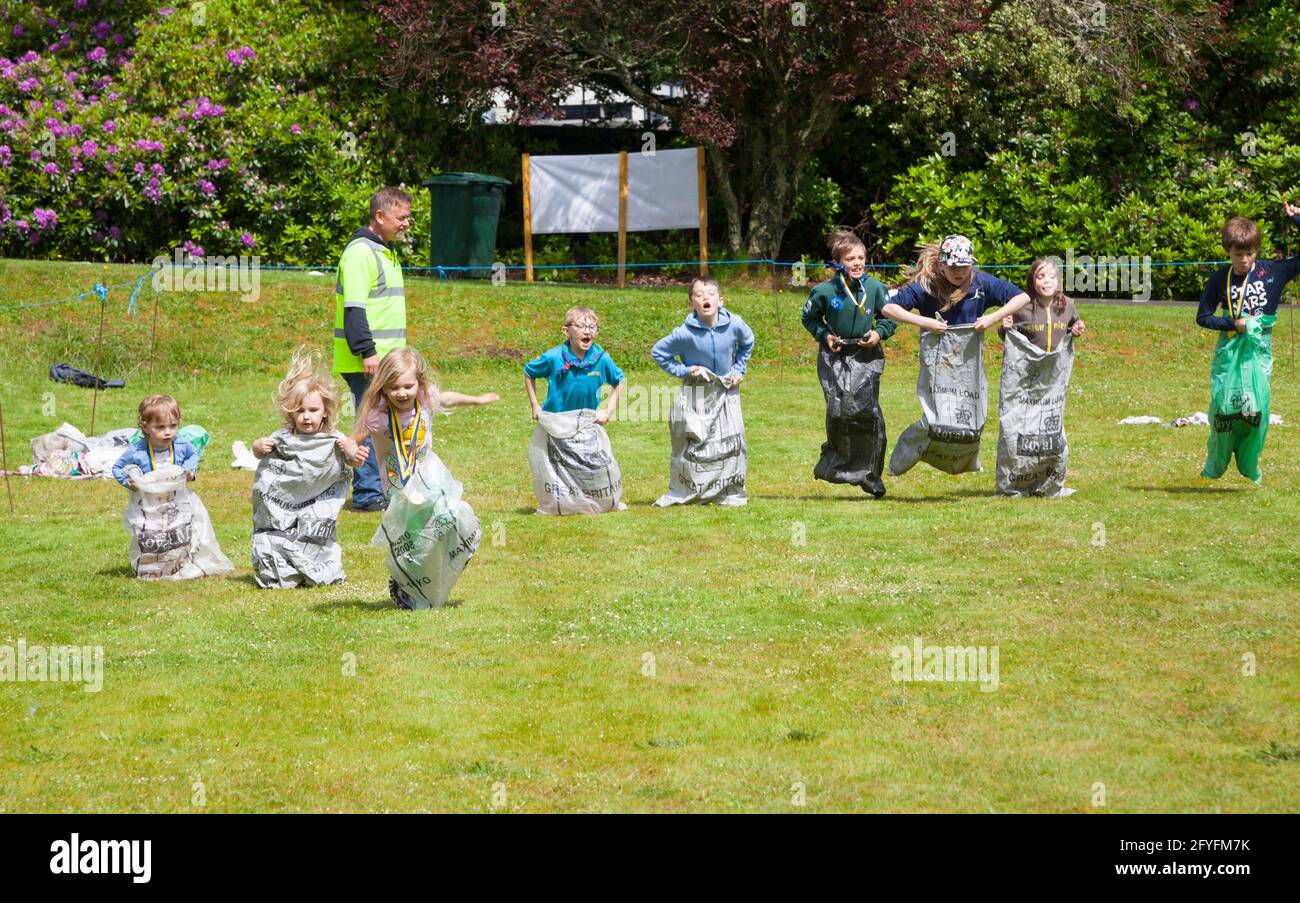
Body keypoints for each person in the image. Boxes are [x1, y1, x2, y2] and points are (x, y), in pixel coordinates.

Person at [347, 348, 498, 606]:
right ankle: (406, 584)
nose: (402, 393)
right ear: (383, 387)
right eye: (394, 387)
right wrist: (353, 454)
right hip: (400, 488)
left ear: (420, 383)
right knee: (417, 539)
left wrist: (478, 400)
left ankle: (453, 553)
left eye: (408, 386)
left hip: (431, 478)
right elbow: (352, 440)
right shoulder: (379, 415)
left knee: (449, 516)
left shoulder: (425, 401)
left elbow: (448, 398)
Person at [1194, 203, 1300, 482]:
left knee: (1256, 408)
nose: (1244, 260)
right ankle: (1217, 459)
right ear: (1227, 251)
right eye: (1238, 254)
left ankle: (1249, 458)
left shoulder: (1273, 272)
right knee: (1224, 406)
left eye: (1250, 254)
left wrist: (1297, 218)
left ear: (1257, 251)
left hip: (1258, 350)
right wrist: (1233, 323)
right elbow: (1203, 317)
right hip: (1229, 350)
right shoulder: (1219, 279)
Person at [249, 350, 365, 588]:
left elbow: (352, 461)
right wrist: (258, 446)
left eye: (312, 410)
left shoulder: (334, 439)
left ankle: (314, 564)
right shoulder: (282, 438)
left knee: (312, 537)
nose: (306, 417)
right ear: (291, 413)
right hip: (285, 502)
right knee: (280, 537)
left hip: (316, 502)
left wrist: (353, 454)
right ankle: (282, 565)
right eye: (300, 411)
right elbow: (259, 453)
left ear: (326, 411)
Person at [332, 186, 413, 512]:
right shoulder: (360, 254)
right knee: (369, 424)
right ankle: (367, 494)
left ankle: (386, 488)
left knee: (384, 424)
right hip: (369, 360)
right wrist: (367, 352)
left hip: (389, 361)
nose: (406, 223)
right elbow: (354, 310)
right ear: (379, 216)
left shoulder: (383, 251)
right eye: (401, 217)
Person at [800, 230, 895, 497]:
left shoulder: (875, 288)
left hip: (866, 355)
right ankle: (834, 467)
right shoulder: (823, 291)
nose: (857, 263)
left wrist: (879, 333)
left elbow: (889, 318)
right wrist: (825, 335)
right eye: (850, 258)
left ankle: (872, 475)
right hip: (835, 355)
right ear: (838, 262)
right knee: (840, 413)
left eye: (861, 257)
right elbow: (809, 319)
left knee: (869, 414)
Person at [651, 277, 754, 506]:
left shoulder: (735, 324)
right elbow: (658, 352)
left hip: (727, 390)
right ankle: (691, 486)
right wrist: (684, 370)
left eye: (710, 293)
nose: (705, 297)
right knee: (695, 441)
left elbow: (748, 342)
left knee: (731, 439)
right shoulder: (684, 334)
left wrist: (738, 369)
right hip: (696, 393)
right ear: (691, 304)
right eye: (698, 295)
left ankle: (729, 490)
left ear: (721, 300)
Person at [524, 306, 626, 422]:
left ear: (597, 332)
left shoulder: (602, 359)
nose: (587, 331)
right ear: (566, 331)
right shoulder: (553, 357)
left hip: (587, 423)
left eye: (592, 327)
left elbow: (619, 381)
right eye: (580, 326)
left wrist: (608, 411)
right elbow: (529, 372)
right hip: (554, 422)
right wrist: (535, 406)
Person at [112, 395, 200, 488]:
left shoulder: (181, 445)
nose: (168, 432)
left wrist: (189, 470)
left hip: (176, 496)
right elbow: (117, 467)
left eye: (173, 425)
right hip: (148, 498)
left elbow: (193, 454)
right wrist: (127, 482)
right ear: (145, 427)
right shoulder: (137, 450)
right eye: (160, 427)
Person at [999, 257, 1086, 351]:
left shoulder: (1068, 304)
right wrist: (1005, 328)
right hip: (1029, 362)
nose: (1047, 280)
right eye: (1041, 276)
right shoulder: (1022, 306)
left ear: (1058, 281)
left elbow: (1072, 327)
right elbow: (1006, 335)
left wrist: (1077, 328)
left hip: (1057, 362)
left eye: (1052, 276)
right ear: (1032, 282)